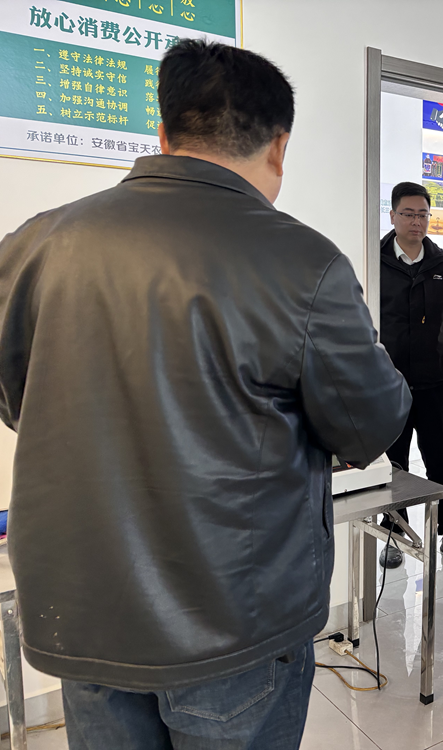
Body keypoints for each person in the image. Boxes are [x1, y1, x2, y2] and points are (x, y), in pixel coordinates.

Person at [0, 40, 410, 749]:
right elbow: (369, 423)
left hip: (86, 615)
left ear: (163, 134)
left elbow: (18, 401)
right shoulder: (304, 263)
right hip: (235, 619)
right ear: (279, 146)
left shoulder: (34, 246)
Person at [378, 182, 443, 569]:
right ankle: (394, 530)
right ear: (393, 216)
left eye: (423, 214)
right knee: (393, 464)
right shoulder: (374, 261)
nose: (416, 222)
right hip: (389, 386)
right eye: (408, 214)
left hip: (435, 384)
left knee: (440, 461)